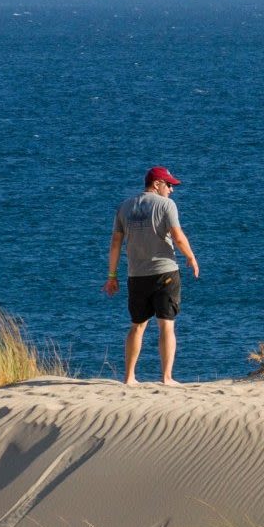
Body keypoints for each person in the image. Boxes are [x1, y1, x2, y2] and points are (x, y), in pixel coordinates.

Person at [104, 165, 199, 385]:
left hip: (136, 275)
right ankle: (167, 377)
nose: (171, 190)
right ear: (156, 184)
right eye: (168, 185)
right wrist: (191, 257)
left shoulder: (124, 207)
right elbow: (177, 236)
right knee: (166, 323)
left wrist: (111, 275)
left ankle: (129, 377)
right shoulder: (166, 205)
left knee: (137, 324)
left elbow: (116, 243)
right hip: (164, 271)